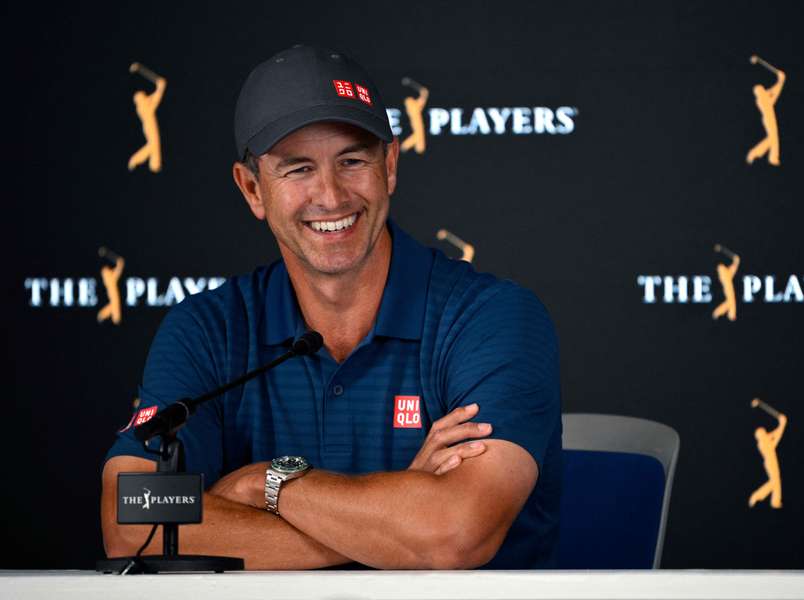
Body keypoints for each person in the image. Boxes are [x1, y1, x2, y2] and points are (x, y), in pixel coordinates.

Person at [101, 44, 561, 570]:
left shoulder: (490, 319)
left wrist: (267, 482)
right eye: (297, 169)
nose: (331, 195)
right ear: (252, 189)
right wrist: (396, 524)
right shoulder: (206, 330)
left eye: (352, 160)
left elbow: (454, 535)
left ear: (389, 166)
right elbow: (132, 523)